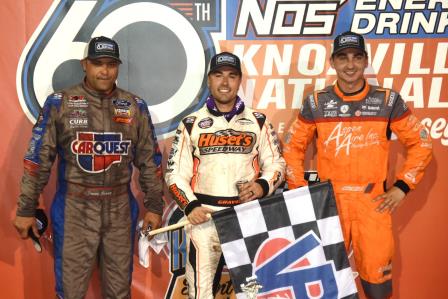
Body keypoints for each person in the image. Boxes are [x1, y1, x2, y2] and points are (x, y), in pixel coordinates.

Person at [283, 31, 432, 299]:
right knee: (323, 283)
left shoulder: (387, 101)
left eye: (356, 57)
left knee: (377, 286)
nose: (350, 65)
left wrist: (402, 186)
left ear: (365, 61)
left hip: (372, 203)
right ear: (332, 62)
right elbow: (292, 147)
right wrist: (300, 190)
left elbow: (422, 144)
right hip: (329, 203)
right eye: (343, 58)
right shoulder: (317, 102)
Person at [12, 36, 164, 299]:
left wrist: (154, 206)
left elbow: (150, 161)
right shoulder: (60, 103)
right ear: (85, 64)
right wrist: (26, 209)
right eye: (97, 64)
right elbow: (38, 158)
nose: (104, 71)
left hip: (119, 208)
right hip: (74, 208)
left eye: (110, 64)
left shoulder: (134, 106)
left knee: (119, 293)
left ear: (118, 67)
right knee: (70, 293)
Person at [165, 52, 285, 298]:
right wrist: (190, 206)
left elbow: (276, 164)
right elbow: (175, 174)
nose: (225, 82)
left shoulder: (258, 121)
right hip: (204, 220)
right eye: (218, 75)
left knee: (253, 293)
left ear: (239, 80)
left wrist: (262, 185)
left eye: (232, 76)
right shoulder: (190, 123)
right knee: (200, 293)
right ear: (209, 80)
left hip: (247, 217)